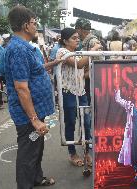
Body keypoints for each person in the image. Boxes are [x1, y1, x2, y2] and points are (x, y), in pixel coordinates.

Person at [4, 5, 55, 188]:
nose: (36, 26)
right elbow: (21, 88)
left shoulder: (25, 47)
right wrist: (34, 119)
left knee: (36, 148)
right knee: (28, 152)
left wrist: (55, 62)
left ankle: (36, 178)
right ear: (26, 26)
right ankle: (25, 184)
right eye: (34, 23)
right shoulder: (18, 49)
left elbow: (36, 71)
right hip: (27, 115)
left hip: (35, 110)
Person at [56, 28, 101, 167]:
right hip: (68, 93)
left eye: (77, 38)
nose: (77, 40)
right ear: (65, 40)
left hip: (81, 93)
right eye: (74, 38)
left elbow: (83, 72)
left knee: (86, 123)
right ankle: (72, 153)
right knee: (70, 123)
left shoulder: (79, 52)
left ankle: (87, 151)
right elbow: (79, 64)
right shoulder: (62, 52)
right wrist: (92, 50)